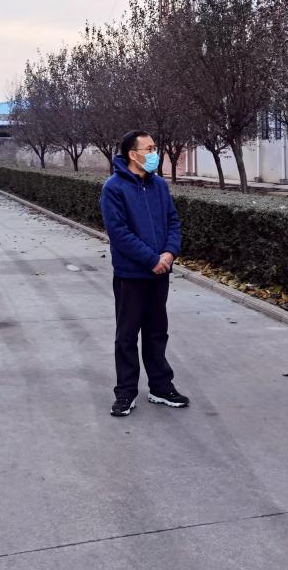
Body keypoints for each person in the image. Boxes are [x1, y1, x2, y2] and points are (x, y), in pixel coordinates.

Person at [100, 130, 188, 417]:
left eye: (154, 148)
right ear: (132, 154)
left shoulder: (159, 185)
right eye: (149, 149)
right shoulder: (114, 188)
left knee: (156, 332)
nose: (154, 153)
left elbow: (173, 222)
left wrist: (169, 253)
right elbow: (119, 233)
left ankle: (161, 387)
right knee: (127, 336)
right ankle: (125, 393)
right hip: (131, 275)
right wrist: (151, 259)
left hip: (159, 273)